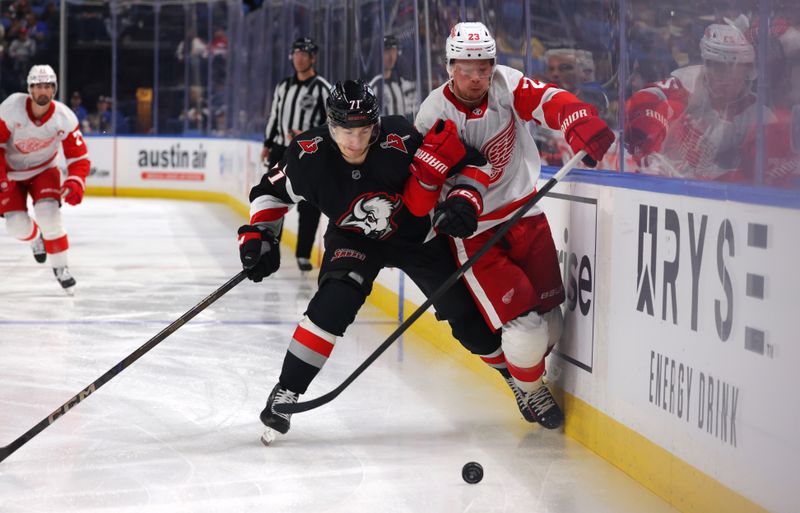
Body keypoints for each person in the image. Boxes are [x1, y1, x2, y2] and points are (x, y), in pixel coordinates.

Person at [239, 80, 503, 442]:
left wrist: (464, 198)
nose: (355, 141)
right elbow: (269, 192)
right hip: (354, 240)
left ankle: (516, 378)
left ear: (375, 126)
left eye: (363, 131)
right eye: (345, 131)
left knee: (465, 316)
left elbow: (473, 162)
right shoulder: (307, 154)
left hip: (417, 239)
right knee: (332, 304)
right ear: (330, 126)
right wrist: (259, 235)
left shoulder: (402, 138)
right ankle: (287, 390)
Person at [415, 22, 614, 428]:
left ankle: (525, 374)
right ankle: (531, 389)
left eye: (484, 66)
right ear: (449, 66)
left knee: (551, 320)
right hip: (477, 234)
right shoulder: (433, 113)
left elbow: (547, 100)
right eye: (466, 67)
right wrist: (445, 208)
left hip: (526, 214)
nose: (476, 77)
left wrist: (577, 120)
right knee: (524, 327)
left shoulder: (506, 84)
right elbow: (428, 180)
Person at [624, 23, 768, 182]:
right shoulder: (686, 86)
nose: (724, 76)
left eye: (732, 68)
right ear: (706, 65)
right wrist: (651, 141)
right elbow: (642, 103)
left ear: (747, 71)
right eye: (717, 66)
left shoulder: (759, 113)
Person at [0, 64, 90, 294]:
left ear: (54, 89)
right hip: (10, 173)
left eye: (48, 86)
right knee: (17, 226)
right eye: (38, 86)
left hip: (44, 170)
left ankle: (62, 268)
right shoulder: (11, 108)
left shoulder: (64, 117)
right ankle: (35, 236)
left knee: (49, 214)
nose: (43, 91)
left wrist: (75, 182)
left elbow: (79, 157)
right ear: (29, 89)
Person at [261, 37, 331, 272]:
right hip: (281, 149)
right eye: (296, 53)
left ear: (313, 58)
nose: (299, 58)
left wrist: (311, 134)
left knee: (309, 205)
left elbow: (332, 123)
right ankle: (271, 248)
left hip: (309, 153)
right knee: (274, 199)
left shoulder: (322, 87)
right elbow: (274, 115)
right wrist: (267, 143)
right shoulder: (283, 86)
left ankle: (303, 254)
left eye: (304, 53)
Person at [368, 35, 417, 119]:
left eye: (394, 51)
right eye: (387, 52)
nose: (391, 57)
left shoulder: (402, 83)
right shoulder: (374, 87)